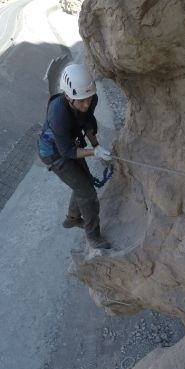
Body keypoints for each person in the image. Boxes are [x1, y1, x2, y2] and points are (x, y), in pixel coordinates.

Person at [37, 63, 113, 249]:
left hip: (69, 144)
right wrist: (94, 152)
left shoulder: (88, 98)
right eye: (82, 101)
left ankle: (72, 218)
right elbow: (67, 152)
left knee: (81, 182)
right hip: (53, 153)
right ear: (67, 96)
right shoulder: (58, 114)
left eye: (89, 98)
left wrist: (96, 145)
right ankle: (93, 237)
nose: (87, 104)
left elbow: (86, 122)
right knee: (87, 193)